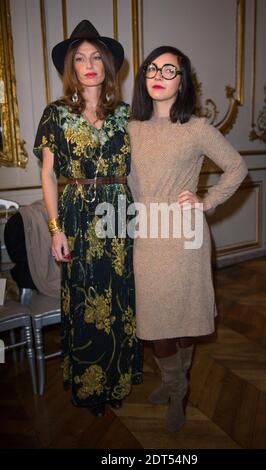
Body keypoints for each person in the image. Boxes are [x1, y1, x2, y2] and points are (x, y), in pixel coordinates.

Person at [128, 45, 248, 432]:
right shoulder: (130, 128)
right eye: (152, 69)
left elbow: (236, 167)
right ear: (144, 78)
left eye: (169, 70)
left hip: (185, 236)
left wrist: (206, 200)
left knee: (182, 318)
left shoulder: (196, 127)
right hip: (148, 233)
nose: (158, 76)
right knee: (156, 320)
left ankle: (176, 390)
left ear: (182, 82)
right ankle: (173, 383)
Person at [33, 20, 142, 417]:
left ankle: (118, 379)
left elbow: (144, 167)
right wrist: (54, 229)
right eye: (80, 58)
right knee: (84, 298)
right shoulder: (56, 114)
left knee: (119, 296)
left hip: (119, 210)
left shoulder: (127, 115)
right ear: (71, 67)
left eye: (96, 56)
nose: (89, 64)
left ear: (107, 64)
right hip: (77, 212)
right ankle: (89, 385)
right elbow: (46, 174)